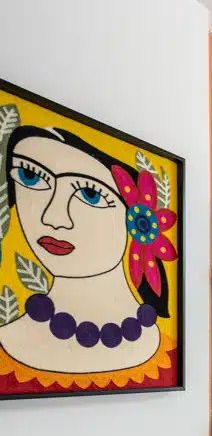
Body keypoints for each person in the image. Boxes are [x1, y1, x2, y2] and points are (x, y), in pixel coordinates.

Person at [0, 125, 178, 393]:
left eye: (90, 193)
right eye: (31, 176)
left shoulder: (173, 358)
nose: (53, 218)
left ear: (138, 222)